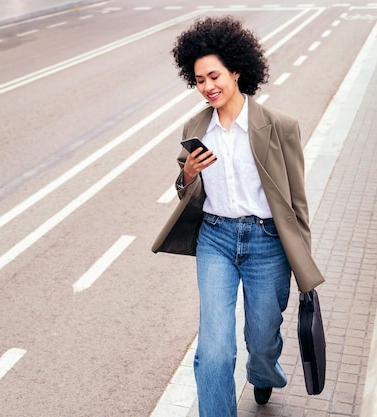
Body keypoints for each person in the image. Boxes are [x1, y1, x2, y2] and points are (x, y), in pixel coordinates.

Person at [151, 16, 325, 416]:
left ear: (236, 70)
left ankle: (263, 373)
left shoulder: (279, 127)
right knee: (214, 347)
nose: (208, 87)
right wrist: (188, 174)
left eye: (214, 76)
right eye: (199, 80)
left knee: (262, 338)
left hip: (267, 243)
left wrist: (304, 268)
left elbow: (297, 202)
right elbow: (185, 187)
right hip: (216, 240)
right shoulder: (197, 127)